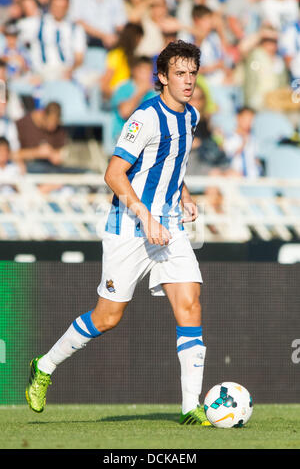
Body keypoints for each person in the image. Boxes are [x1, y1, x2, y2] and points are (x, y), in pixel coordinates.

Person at [25, 40, 211, 426]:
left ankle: (191, 408)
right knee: (108, 317)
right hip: (129, 226)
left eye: (192, 72)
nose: (188, 80)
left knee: (190, 303)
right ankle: (44, 366)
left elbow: (173, 164)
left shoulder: (190, 116)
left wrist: (186, 196)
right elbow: (113, 173)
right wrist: (145, 217)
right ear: (161, 78)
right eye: (179, 73)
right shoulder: (145, 117)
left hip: (169, 227)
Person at [110, 55, 157, 141]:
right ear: (134, 71)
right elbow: (124, 112)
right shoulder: (124, 88)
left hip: (146, 135)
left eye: (148, 71)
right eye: (142, 71)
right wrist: (140, 93)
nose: (146, 76)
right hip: (123, 135)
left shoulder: (154, 93)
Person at [15, 101, 66, 173]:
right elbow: (11, 154)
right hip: (27, 169)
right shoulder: (22, 125)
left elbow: (61, 153)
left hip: (51, 170)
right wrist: (37, 153)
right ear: (43, 115)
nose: (52, 126)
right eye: (49, 122)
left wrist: (54, 154)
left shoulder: (59, 129)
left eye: (55, 123)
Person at [99, 22, 144, 101]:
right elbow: (104, 85)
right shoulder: (116, 55)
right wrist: (118, 98)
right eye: (138, 38)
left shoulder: (132, 57)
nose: (140, 42)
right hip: (117, 98)